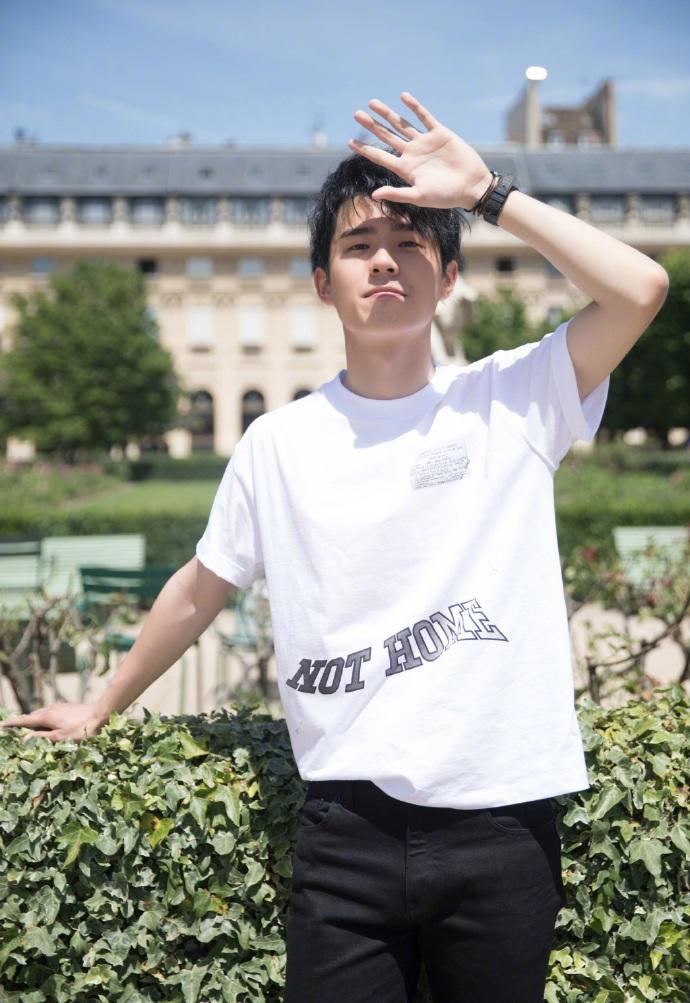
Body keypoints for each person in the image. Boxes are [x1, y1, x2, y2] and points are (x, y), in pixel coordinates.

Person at [1, 92, 669, 1002]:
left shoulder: (512, 398)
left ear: (449, 277)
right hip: (346, 835)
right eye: (359, 246)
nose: (384, 260)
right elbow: (200, 587)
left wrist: (487, 191)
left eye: (409, 244)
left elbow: (641, 288)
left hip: (501, 821)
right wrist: (101, 703)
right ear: (322, 283)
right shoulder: (279, 442)